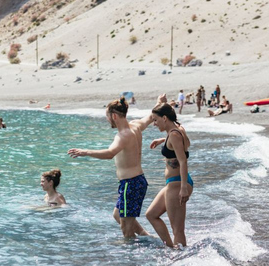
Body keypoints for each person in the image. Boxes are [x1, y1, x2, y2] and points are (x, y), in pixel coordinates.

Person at [68, 95, 165, 238]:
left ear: (114, 116)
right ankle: (147, 237)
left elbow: (109, 153)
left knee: (126, 231)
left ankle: (131, 255)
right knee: (118, 215)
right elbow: (150, 117)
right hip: (137, 181)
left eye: (107, 116)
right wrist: (159, 103)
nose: (107, 120)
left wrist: (85, 152)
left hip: (130, 184)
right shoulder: (136, 126)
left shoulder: (123, 135)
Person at [146, 103, 192, 248]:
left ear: (164, 118)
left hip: (178, 183)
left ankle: (181, 260)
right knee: (151, 214)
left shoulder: (173, 135)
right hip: (173, 183)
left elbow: (183, 161)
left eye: (155, 120)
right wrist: (162, 141)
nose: (154, 124)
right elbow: (180, 142)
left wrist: (183, 188)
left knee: (178, 230)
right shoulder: (177, 130)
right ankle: (172, 249)